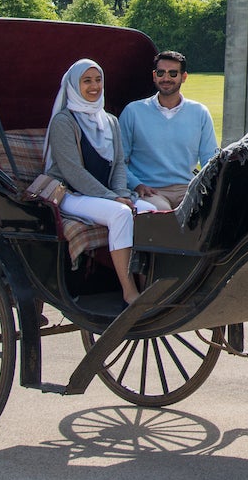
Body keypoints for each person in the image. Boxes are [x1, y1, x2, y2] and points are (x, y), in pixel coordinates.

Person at [44, 58, 165, 305]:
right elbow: (72, 171)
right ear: (74, 86)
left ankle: (147, 282)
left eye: (98, 80)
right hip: (72, 195)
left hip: (107, 194)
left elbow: (119, 163)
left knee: (149, 211)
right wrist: (113, 197)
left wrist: (120, 191)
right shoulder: (64, 122)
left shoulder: (109, 121)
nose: (94, 86)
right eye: (86, 81)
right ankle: (128, 290)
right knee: (121, 213)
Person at [119, 49, 219, 208]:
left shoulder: (200, 113)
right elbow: (119, 159)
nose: (166, 78)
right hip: (148, 190)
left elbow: (210, 159)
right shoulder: (133, 112)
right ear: (154, 76)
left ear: (183, 77)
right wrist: (136, 184)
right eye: (161, 73)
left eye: (173, 73)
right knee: (164, 216)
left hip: (187, 189)